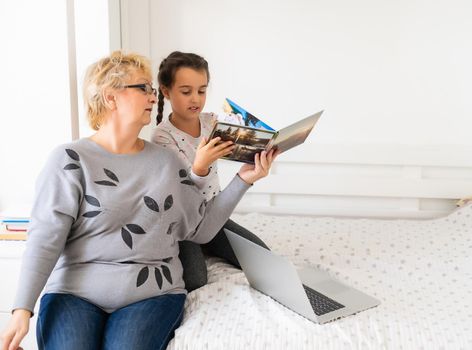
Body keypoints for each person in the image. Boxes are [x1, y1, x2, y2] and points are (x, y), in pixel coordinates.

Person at [0, 51, 275, 350]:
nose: (153, 97)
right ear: (110, 98)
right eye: (143, 88)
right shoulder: (70, 160)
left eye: (153, 90)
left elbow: (201, 229)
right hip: (73, 294)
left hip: (151, 295)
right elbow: (45, 238)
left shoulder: (166, 162)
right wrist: (21, 310)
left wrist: (243, 180)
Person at [152, 51, 271, 292]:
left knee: (263, 258)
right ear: (166, 91)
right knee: (196, 280)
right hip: (182, 222)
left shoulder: (211, 122)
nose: (195, 98)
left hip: (213, 215)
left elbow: (242, 145)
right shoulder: (162, 136)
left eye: (202, 90)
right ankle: (194, 246)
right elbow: (182, 192)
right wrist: (200, 165)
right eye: (186, 91)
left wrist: (258, 151)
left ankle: (208, 243)